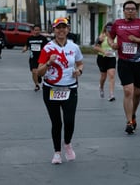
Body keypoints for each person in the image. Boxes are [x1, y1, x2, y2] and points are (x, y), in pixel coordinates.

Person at [37, 17, 84, 164]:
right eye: (58, 27)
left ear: (68, 29)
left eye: (64, 27)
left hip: (70, 88)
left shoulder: (74, 47)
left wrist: (79, 71)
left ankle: (67, 144)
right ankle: (57, 152)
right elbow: (39, 72)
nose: (61, 30)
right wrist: (49, 62)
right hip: (51, 88)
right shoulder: (47, 48)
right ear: (54, 30)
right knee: (56, 123)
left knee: (69, 121)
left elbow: (80, 63)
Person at [108, 0, 140, 134]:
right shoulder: (118, 24)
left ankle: (133, 114)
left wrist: (137, 40)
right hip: (124, 62)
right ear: (124, 10)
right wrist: (112, 44)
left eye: (133, 9)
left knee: (137, 93)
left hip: (139, 62)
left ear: (136, 11)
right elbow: (110, 37)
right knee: (128, 91)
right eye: (128, 9)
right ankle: (129, 122)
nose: (130, 11)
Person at [93, 22, 117, 101]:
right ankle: (101, 87)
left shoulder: (116, 37)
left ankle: (111, 94)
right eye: (108, 29)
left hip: (112, 58)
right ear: (105, 29)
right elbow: (95, 47)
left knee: (112, 75)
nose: (109, 31)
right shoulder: (102, 37)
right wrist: (104, 51)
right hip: (102, 58)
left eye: (111, 29)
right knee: (103, 76)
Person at [22, 24, 49, 91]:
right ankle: (36, 85)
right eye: (35, 30)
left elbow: (48, 47)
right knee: (34, 71)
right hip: (33, 58)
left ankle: (39, 76)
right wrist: (25, 48)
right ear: (33, 31)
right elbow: (26, 45)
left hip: (42, 58)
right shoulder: (30, 38)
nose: (36, 31)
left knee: (41, 72)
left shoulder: (43, 38)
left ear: (40, 31)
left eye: (38, 30)